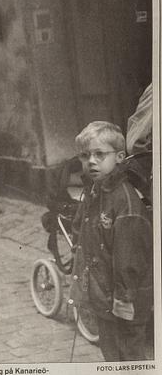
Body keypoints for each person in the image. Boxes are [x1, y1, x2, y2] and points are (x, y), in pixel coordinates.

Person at [71, 121, 152, 362]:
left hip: (126, 300)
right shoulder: (95, 191)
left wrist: (123, 301)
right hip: (104, 296)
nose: (91, 161)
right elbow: (81, 229)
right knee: (111, 355)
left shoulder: (124, 202)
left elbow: (130, 260)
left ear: (119, 157)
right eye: (85, 156)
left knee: (129, 357)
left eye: (99, 154)